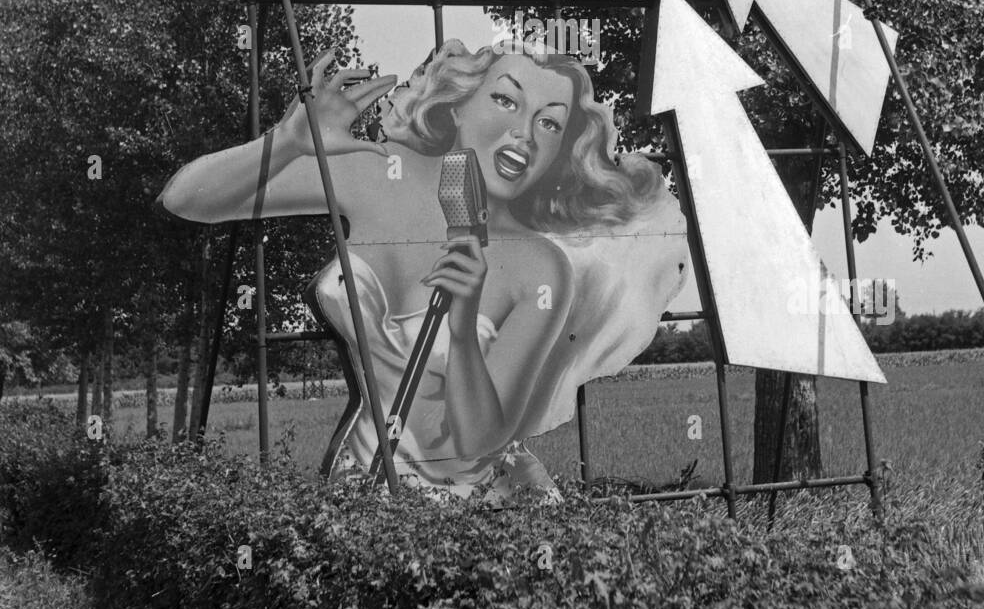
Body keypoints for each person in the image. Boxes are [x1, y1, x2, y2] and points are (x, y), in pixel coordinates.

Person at [159, 39, 689, 497]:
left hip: (489, 507)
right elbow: (189, 199)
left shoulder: (540, 267)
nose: (524, 134)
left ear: (559, 152)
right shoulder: (376, 174)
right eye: (505, 99)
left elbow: (479, 438)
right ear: (456, 107)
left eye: (549, 123)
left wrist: (463, 327)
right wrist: (291, 140)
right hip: (369, 482)